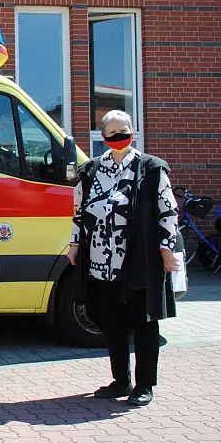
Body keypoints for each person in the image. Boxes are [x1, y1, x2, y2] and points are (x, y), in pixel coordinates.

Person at [68, 110, 179, 406]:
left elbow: (168, 212)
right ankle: (120, 380)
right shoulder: (90, 171)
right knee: (112, 323)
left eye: (125, 132)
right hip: (101, 263)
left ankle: (144, 385)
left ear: (133, 132)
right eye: (113, 134)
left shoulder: (151, 168)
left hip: (139, 260)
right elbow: (79, 213)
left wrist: (167, 249)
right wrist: (74, 244)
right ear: (103, 137)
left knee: (144, 322)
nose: (119, 138)